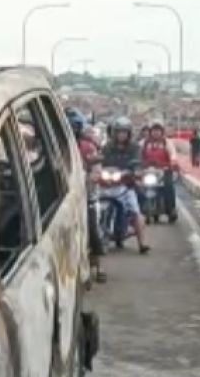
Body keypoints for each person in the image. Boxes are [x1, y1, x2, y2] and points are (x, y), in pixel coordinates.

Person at [101, 116, 151, 253]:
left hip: (126, 185)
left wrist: (135, 171)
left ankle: (142, 243)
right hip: (107, 184)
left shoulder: (134, 148)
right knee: (92, 206)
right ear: (114, 133)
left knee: (135, 211)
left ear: (129, 133)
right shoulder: (107, 147)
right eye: (119, 131)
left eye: (124, 132)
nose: (121, 134)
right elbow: (100, 161)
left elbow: (138, 162)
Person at [69, 108, 107, 283]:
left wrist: (84, 181)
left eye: (73, 127)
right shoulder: (55, 144)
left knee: (92, 231)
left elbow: (96, 172)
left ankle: (99, 267)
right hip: (65, 198)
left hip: (87, 196)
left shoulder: (87, 147)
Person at [141, 121, 178, 216]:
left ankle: (171, 208)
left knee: (169, 186)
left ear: (162, 131)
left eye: (158, 130)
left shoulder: (167, 142)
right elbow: (137, 154)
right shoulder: (144, 143)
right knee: (136, 186)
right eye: (154, 130)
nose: (156, 132)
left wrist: (173, 161)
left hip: (164, 170)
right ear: (150, 132)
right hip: (147, 171)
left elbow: (173, 154)